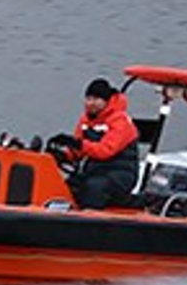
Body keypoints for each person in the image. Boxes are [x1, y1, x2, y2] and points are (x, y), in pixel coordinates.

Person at [48, 78, 140, 209]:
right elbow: (79, 150)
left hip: (120, 173)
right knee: (68, 186)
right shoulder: (86, 120)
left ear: (106, 101)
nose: (91, 103)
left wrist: (77, 144)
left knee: (94, 188)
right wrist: (63, 155)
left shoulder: (121, 121)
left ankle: (91, 217)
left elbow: (105, 150)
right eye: (88, 99)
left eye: (96, 99)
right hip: (96, 171)